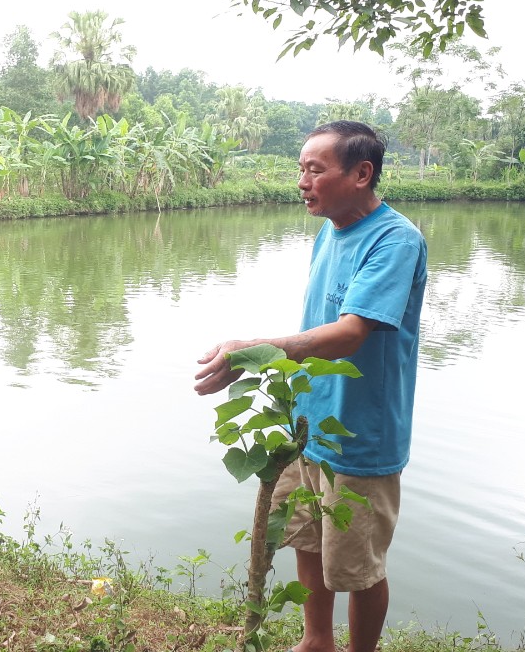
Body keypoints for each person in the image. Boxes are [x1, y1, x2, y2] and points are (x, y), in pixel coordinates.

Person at [193, 120, 427, 652]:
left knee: (358, 566)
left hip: (360, 432)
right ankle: (315, 640)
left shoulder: (395, 240)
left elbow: (349, 335)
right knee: (305, 537)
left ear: (362, 173)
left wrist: (254, 351)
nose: (302, 180)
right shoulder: (331, 231)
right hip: (308, 419)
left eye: (314, 169)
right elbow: (318, 328)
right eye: (301, 168)